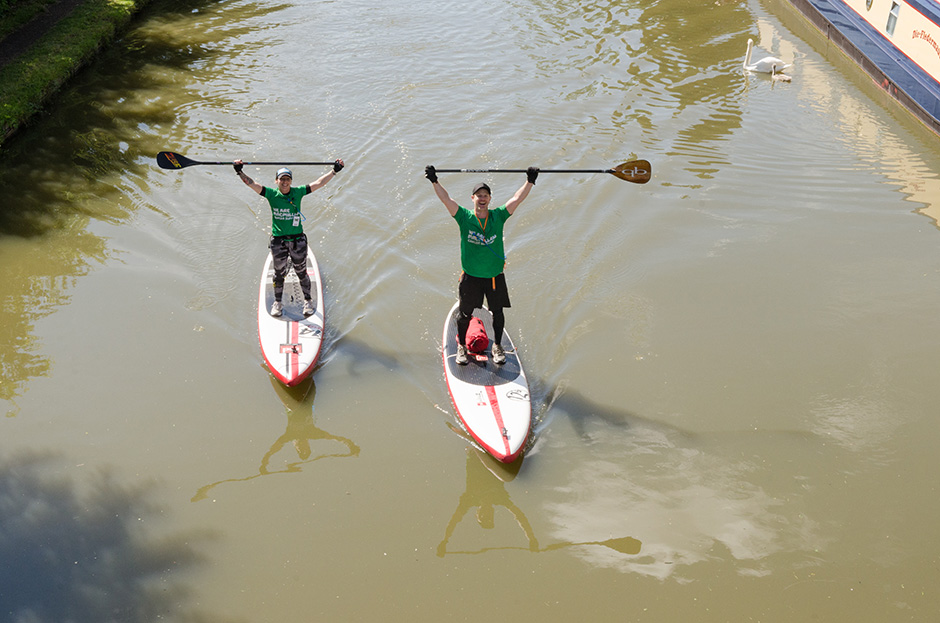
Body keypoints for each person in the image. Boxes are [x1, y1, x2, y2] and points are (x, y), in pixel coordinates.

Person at [425, 164, 538, 365]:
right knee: (464, 314)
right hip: (471, 277)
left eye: (486, 195)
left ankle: (497, 346)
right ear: (473, 199)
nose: (482, 198)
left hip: (494, 276)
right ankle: (461, 347)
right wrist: (434, 180)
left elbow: (517, 199)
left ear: (490, 199)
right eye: (479, 195)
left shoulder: (499, 216)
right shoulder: (464, 218)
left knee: (498, 313)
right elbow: (445, 199)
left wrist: (530, 181)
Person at [234, 158, 344, 316]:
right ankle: (277, 303)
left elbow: (319, 183)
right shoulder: (271, 194)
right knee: (279, 274)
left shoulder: (298, 192)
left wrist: (334, 171)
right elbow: (251, 183)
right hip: (279, 242)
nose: (285, 182)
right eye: (282, 179)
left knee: (301, 272)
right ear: (276, 180)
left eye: (287, 179)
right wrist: (239, 171)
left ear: (291, 181)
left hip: (297, 241)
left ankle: (308, 302)